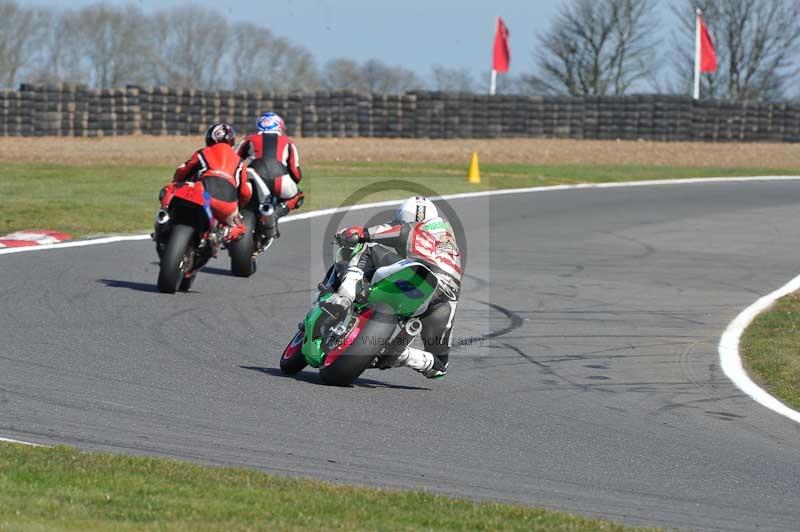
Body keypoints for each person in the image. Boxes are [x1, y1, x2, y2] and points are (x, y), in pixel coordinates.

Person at [324, 196, 462, 379]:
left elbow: (368, 233)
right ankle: (403, 354)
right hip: (447, 295)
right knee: (439, 364)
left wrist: (352, 233)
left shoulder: (411, 228)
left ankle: (345, 296)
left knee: (368, 247)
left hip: (419, 274)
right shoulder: (447, 233)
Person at [170, 122, 252, 241]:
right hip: (227, 205)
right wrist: (240, 205)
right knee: (240, 229)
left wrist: (176, 182)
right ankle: (224, 234)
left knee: (169, 190)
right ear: (232, 140)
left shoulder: (203, 152)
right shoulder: (240, 162)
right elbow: (245, 192)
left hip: (203, 194)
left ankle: (164, 218)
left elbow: (182, 170)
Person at [237, 112, 304, 220]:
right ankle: (277, 212)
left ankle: (236, 217)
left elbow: (233, 158)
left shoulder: (249, 139)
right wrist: (293, 180)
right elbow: (295, 172)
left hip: (254, 181)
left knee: (238, 193)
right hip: (281, 182)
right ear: (279, 126)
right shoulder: (288, 142)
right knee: (298, 195)